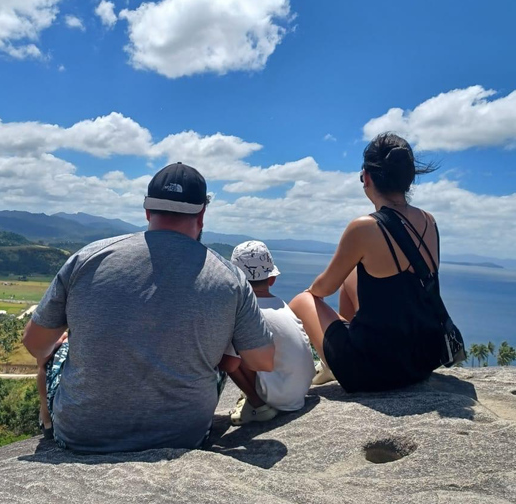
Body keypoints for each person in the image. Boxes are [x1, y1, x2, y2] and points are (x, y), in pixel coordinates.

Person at [24, 162, 275, 452]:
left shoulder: (88, 258)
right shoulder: (231, 278)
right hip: (185, 436)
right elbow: (262, 361)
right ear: (202, 214)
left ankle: (47, 424)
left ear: (146, 211)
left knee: (59, 348)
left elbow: (35, 344)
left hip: (80, 434)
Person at [289, 133, 443, 392]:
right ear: (408, 180)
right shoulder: (429, 221)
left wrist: (311, 291)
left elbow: (322, 288)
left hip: (373, 373)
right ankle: (337, 358)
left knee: (303, 300)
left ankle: (332, 364)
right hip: (420, 362)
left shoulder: (364, 227)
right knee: (350, 279)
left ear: (367, 178)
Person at [219, 241, 316, 425]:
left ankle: (257, 405)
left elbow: (230, 364)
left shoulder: (245, 312)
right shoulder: (281, 305)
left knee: (224, 346)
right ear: (272, 279)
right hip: (301, 389)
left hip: (279, 395)